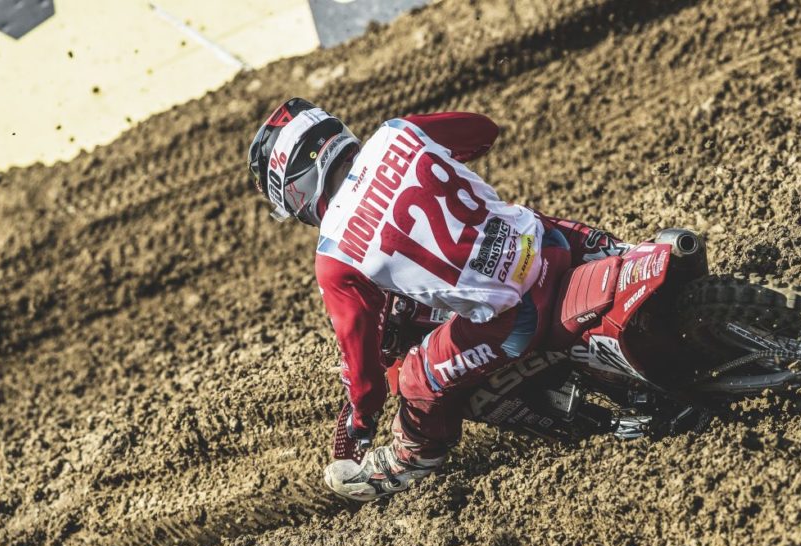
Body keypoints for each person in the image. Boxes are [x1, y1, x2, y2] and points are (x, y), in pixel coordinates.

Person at [248, 98, 626, 501]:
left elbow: (363, 365)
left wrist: (361, 418)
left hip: (515, 314)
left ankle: (411, 458)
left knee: (416, 375)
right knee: (542, 227)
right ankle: (620, 256)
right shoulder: (397, 133)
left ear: (296, 191)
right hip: (549, 245)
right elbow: (483, 131)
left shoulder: (334, 256)